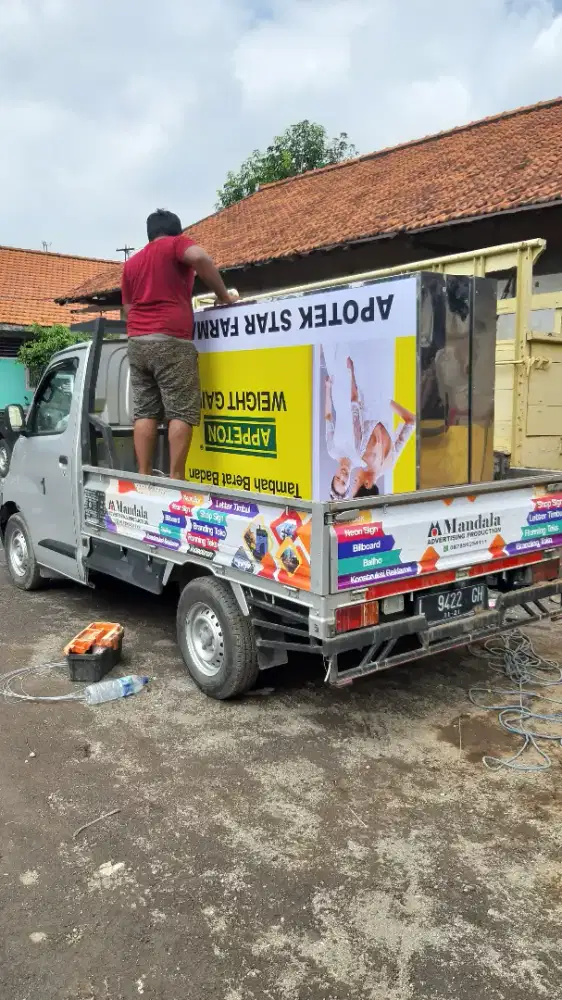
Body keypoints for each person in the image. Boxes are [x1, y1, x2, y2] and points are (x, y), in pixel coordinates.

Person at [122, 208, 237, 480]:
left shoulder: (131, 263)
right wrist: (223, 296)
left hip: (137, 341)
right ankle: (177, 479)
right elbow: (200, 257)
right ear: (177, 231)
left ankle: (144, 475)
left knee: (145, 411)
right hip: (171, 338)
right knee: (180, 410)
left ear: (150, 234)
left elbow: (127, 309)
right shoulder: (176, 244)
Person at [325, 354, 415, 500]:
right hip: (363, 376)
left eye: (340, 479)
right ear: (367, 484)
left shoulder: (390, 462)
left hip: (380, 375)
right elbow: (354, 403)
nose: (350, 477)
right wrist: (351, 371)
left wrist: (387, 401)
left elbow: (411, 421)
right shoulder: (360, 454)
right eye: (355, 481)